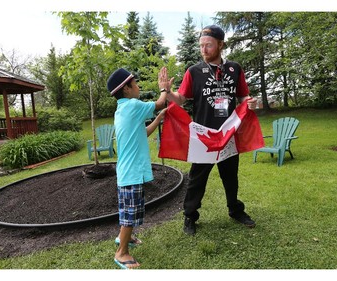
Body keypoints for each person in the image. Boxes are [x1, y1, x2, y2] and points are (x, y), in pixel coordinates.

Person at [159, 25, 258, 235]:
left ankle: (235, 210)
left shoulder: (235, 69)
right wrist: (167, 92)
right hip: (203, 136)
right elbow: (181, 99)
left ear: (221, 45)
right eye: (201, 46)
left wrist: (251, 103)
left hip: (228, 134)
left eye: (208, 45)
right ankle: (190, 216)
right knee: (197, 179)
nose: (203, 50)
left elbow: (243, 97)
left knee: (231, 176)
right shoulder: (194, 72)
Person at [107, 68, 167, 269]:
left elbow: (144, 132)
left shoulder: (123, 109)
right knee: (130, 213)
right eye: (135, 83)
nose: (138, 87)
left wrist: (158, 120)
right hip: (131, 173)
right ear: (126, 89)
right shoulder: (133, 105)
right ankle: (121, 253)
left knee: (129, 210)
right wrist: (164, 88)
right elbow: (160, 103)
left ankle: (124, 238)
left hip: (127, 171)